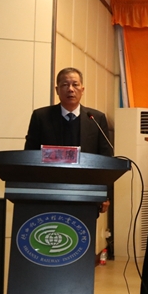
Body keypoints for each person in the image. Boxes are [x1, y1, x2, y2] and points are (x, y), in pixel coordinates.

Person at [25, 66, 114, 213]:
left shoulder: (95, 118)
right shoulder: (41, 117)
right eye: (65, 85)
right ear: (57, 90)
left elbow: (105, 159)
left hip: (86, 193)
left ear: (82, 89)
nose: (70, 89)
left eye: (75, 84)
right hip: (48, 193)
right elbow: (29, 155)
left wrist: (106, 194)